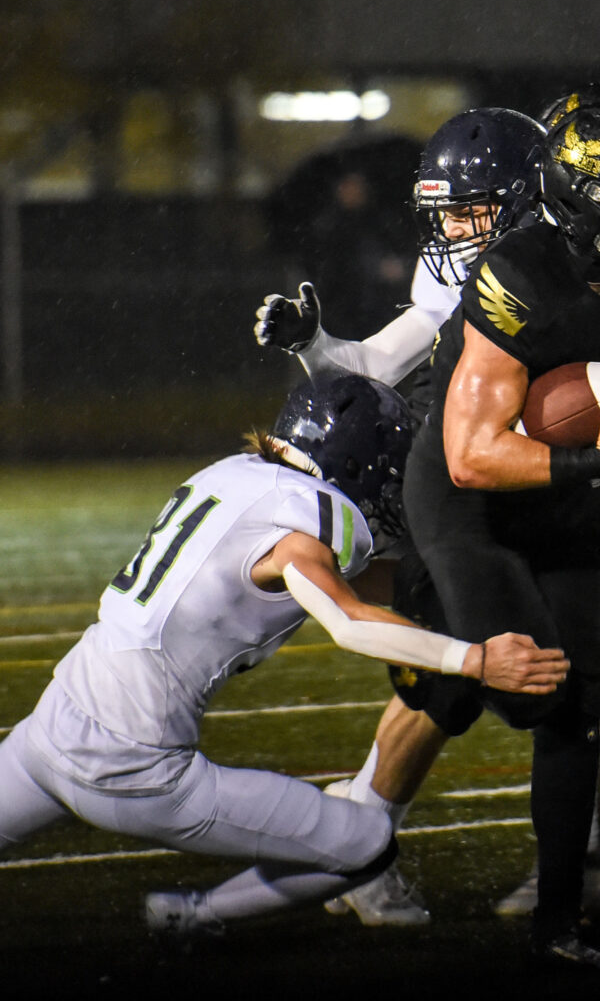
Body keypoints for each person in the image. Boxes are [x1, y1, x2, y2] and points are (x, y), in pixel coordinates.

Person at [254, 99, 600, 932]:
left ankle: (359, 838)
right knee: (544, 677)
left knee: (500, 665)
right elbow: (385, 369)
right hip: (566, 485)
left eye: (474, 211)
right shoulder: (504, 271)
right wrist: (313, 349)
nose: (457, 231)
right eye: (450, 214)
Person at [0, 376, 566, 936]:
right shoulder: (305, 520)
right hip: (134, 768)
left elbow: (353, 580)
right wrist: (475, 659)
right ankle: (194, 917)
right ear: (362, 463)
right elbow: (344, 617)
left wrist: (467, 580)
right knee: (366, 845)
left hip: (51, 726)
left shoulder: (237, 476)